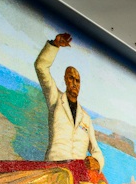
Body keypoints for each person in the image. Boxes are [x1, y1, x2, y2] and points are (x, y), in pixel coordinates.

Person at [34, 33, 104, 171]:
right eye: (71, 78)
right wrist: (55, 45)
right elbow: (41, 67)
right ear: (65, 79)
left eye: (77, 81)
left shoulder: (86, 118)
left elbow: (96, 149)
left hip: (76, 176)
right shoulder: (55, 99)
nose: (74, 83)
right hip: (53, 170)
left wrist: (97, 162)